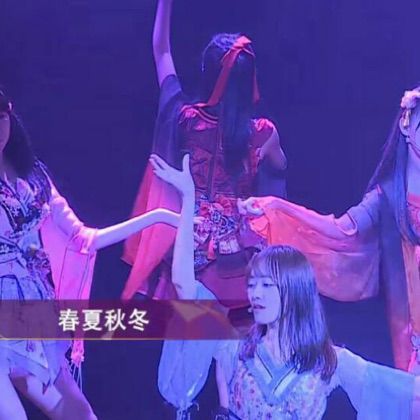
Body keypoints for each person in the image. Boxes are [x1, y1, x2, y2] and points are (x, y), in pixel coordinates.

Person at [150, 152, 420, 419]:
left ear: (294, 292)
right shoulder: (234, 349)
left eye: (266, 285)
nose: (255, 294)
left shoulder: (329, 361)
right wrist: (188, 198)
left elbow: (402, 393)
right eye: (252, 284)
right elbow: (184, 284)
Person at [0, 90, 179, 420]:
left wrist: (156, 216)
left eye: (0, 118)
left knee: (81, 416)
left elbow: (85, 238)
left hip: (33, 318)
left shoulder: (33, 176)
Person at [236, 86, 420, 373]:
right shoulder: (385, 199)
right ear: (406, 125)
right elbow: (338, 232)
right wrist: (276, 208)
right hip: (407, 328)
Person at [122, 0, 287, 306]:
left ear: (206, 75)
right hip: (235, 256)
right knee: (236, 327)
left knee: (183, 327)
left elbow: (161, 50)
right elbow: (280, 169)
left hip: (186, 241)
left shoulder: (184, 119)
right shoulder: (263, 134)